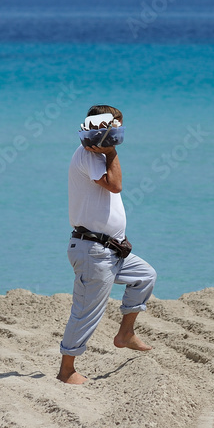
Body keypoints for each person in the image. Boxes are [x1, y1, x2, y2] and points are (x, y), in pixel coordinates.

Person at [57, 104, 157, 385]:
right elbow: (115, 186)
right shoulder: (89, 155)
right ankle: (67, 371)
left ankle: (125, 334)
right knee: (86, 310)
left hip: (111, 249)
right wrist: (111, 152)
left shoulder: (98, 156)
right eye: (114, 129)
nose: (116, 136)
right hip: (93, 250)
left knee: (145, 276)